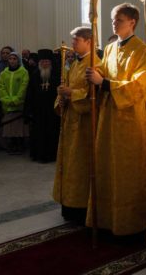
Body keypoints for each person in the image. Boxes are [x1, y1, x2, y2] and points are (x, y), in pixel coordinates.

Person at [85, 2, 146, 236]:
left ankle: (131, 223)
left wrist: (104, 83)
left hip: (132, 119)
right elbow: (104, 71)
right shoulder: (109, 48)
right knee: (108, 166)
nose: (114, 24)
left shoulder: (142, 50)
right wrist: (96, 74)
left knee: (128, 170)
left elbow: (141, 83)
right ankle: (108, 219)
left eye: (119, 20)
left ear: (132, 22)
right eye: (113, 20)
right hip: (109, 117)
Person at [54, 27, 99, 224]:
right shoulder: (73, 64)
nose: (72, 44)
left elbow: (94, 96)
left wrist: (71, 93)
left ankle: (81, 209)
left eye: (76, 40)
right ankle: (69, 205)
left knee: (81, 167)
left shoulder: (96, 64)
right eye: (72, 40)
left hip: (85, 125)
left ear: (89, 41)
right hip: (70, 121)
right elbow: (66, 87)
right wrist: (61, 98)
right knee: (69, 165)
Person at [25, 49, 61, 163]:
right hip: (38, 111)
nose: (45, 64)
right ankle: (39, 155)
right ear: (39, 63)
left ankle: (52, 155)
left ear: (51, 62)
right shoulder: (35, 74)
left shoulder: (57, 75)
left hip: (53, 111)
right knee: (39, 133)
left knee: (52, 132)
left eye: (47, 61)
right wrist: (29, 110)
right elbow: (30, 93)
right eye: (42, 62)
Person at [0, 52, 29, 154]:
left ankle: (20, 145)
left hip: (19, 105)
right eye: (10, 59)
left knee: (19, 127)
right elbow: (1, 87)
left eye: (14, 59)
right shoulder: (3, 73)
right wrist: (7, 100)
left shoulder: (23, 72)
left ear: (18, 60)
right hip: (7, 105)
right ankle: (11, 145)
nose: (12, 61)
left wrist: (16, 100)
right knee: (9, 127)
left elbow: (24, 87)